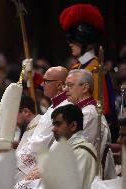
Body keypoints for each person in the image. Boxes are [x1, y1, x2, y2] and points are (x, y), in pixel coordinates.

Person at [59, 4, 117, 141]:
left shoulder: (96, 69)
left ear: (84, 39)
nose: (70, 44)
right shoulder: (76, 68)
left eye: (74, 40)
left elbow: (103, 111)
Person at [15, 104, 97, 189]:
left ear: (73, 126)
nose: (53, 129)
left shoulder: (81, 153)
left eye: (58, 124)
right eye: (53, 125)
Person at [15, 66, 70, 182]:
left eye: (46, 81)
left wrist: (15, 159)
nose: (42, 84)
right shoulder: (54, 105)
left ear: (59, 85)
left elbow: (39, 143)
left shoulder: (63, 109)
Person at [64, 69, 111, 152]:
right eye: (65, 85)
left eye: (70, 85)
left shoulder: (88, 113)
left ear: (85, 88)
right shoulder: (83, 110)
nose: (65, 89)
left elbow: (78, 148)